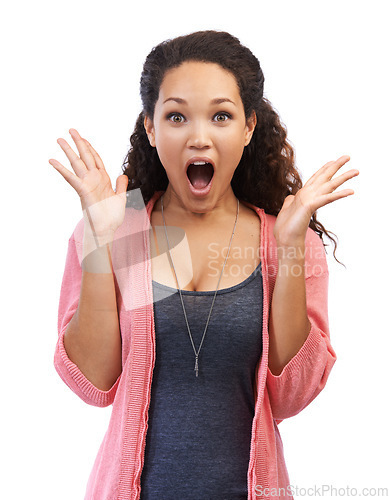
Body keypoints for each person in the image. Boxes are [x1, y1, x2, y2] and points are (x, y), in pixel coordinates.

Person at [49, 31, 359, 500]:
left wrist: (293, 245)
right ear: (151, 129)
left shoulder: (283, 241)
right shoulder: (124, 230)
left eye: (221, 116)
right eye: (176, 116)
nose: (199, 136)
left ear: (248, 127)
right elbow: (96, 382)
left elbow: (291, 396)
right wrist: (99, 240)